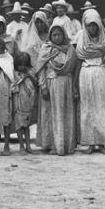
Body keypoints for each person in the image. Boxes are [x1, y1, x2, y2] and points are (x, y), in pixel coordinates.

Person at [76, 9, 105, 155]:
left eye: (94, 25)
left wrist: (103, 50)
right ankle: (89, 142)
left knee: (101, 107)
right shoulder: (81, 38)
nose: (92, 28)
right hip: (86, 72)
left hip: (100, 71)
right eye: (89, 25)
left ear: (99, 25)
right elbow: (78, 57)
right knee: (87, 108)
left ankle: (102, 142)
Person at [35, 25, 79, 156]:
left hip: (66, 83)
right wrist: (43, 87)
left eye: (59, 34)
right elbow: (40, 69)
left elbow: (74, 68)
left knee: (65, 113)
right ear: (50, 36)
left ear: (64, 35)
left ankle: (66, 144)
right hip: (51, 83)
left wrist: (74, 87)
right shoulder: (46, 49)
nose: (57, 37)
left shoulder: (70, 49)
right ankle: (53, 144)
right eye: (54, 35)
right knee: (52, 114)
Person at [12, 52, 38, 154]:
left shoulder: (31, 71)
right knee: (19, 124)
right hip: (19, 101)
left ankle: (28, 145)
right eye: (20, 65)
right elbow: (15, 85)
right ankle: (21, 146)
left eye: (25, 65)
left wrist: (29, 76)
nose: (22, 67)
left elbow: (36, 83)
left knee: (26, 125)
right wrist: (23, 78)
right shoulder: (15, 73)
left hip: (29, 102)